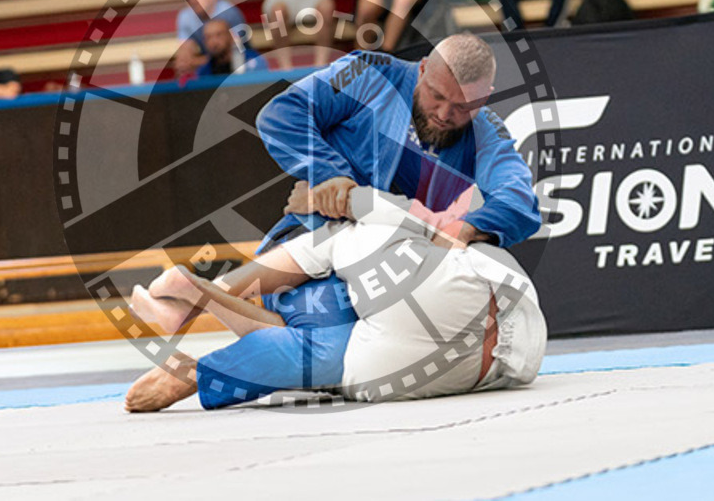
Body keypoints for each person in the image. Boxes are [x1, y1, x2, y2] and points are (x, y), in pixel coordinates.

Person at [127, 33, 542, 410]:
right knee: (330, 342)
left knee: (348, 344)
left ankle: (199, 298)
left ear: (484, 99)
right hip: (309, 246)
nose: (444, 114)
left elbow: (519, 200)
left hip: (388, 271)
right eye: (435, 96)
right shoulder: (369, 75)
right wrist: (330, 175)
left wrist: (467, 229)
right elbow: (282, 113)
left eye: (462, 107)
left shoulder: (487, 134)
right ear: (421, 70)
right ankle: (197, 358)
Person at [124, 185, 546, 411]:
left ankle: (197, 309)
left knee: (327, 260)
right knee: (312, 337)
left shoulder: (325, 295)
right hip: (503, 344)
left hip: (447, 340)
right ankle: (197, 316)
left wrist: (345, 198)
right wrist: (348, 198)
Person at [173, 0, 248, 77]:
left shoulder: (229, 12)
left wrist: (196, 62)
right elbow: (185, 54)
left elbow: (232, 53)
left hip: (238, 63)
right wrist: (185, 61)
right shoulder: (185, 17)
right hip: (209, 64)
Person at [196, 18, 268, 77]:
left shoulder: (252, 61)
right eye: (208, 37)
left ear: (231, 36)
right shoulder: (204, 71)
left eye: (219, 35)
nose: (213, 42)